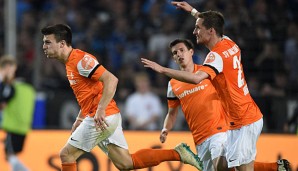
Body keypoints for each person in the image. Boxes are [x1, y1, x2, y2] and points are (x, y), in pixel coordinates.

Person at [141, 2, 284, 170]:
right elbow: (214, 22)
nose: (195, 32)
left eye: (198, 28)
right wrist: (194, 12)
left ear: (210, 31)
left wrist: (162, 69)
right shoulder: (229, 43)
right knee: (228, 166)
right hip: (238, 120)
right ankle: (277, 168)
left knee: (240, 169)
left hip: (243, 120)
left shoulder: (214, 57)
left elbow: (196, 79)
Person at [41, 24, 203, 171]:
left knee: (66, 155)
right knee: (126, 163)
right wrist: (79, 118)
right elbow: (90, 93)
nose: (44, 46)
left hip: (102, 117)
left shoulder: (81, 60)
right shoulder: (69, 63)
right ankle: (178, 153)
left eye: (48, 42)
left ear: (62, 44)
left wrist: (101, 109)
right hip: (103, 116)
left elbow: (111, 80)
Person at [160, 38, 290, 171]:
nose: (179, 54)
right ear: (174, 58)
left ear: (191, 52)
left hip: (220, 130)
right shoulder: (173, 84)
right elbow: (172, 113)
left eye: (182, 50)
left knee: (221, 166)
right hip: (199, 138)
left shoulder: (208, 72)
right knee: (230, 166)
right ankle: (276, 167)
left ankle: (273, 167)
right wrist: (165, 129)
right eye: (175, 53)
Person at [0, 55, 36, 171]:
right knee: (11, 156)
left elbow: (3, 102)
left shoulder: (12, 88)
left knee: (10, 156)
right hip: (24, 128)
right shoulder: (30, 90)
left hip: (12, 127)